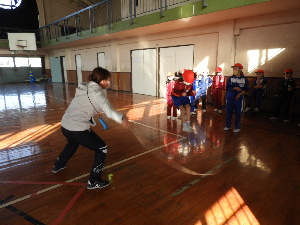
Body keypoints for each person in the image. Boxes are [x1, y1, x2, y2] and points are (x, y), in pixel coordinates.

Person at [52, 67, 129, 189]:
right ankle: (94, 181)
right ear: (103, 81)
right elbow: (110, 112)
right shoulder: (98, 93)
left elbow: (85, 104)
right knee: (102, 148)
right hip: (77, 128)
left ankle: (58, 165)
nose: (109, 82)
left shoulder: (84, 87)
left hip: (65, 126)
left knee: (72, 143)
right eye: (108, 80)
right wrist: (122, 119)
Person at [223, 63, 250, 132]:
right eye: (233, 68)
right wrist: (234, 88)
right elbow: (227, 87)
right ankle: (227, 125)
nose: (234, 70)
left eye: (236, 68)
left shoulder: (244, 79)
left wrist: (241, 93)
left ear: (240, 70)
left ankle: (237, 127)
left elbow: (247, 89)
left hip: (239, 99)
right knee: (228, 112)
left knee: (238, 113)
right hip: (230, 98)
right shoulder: (230, 78)